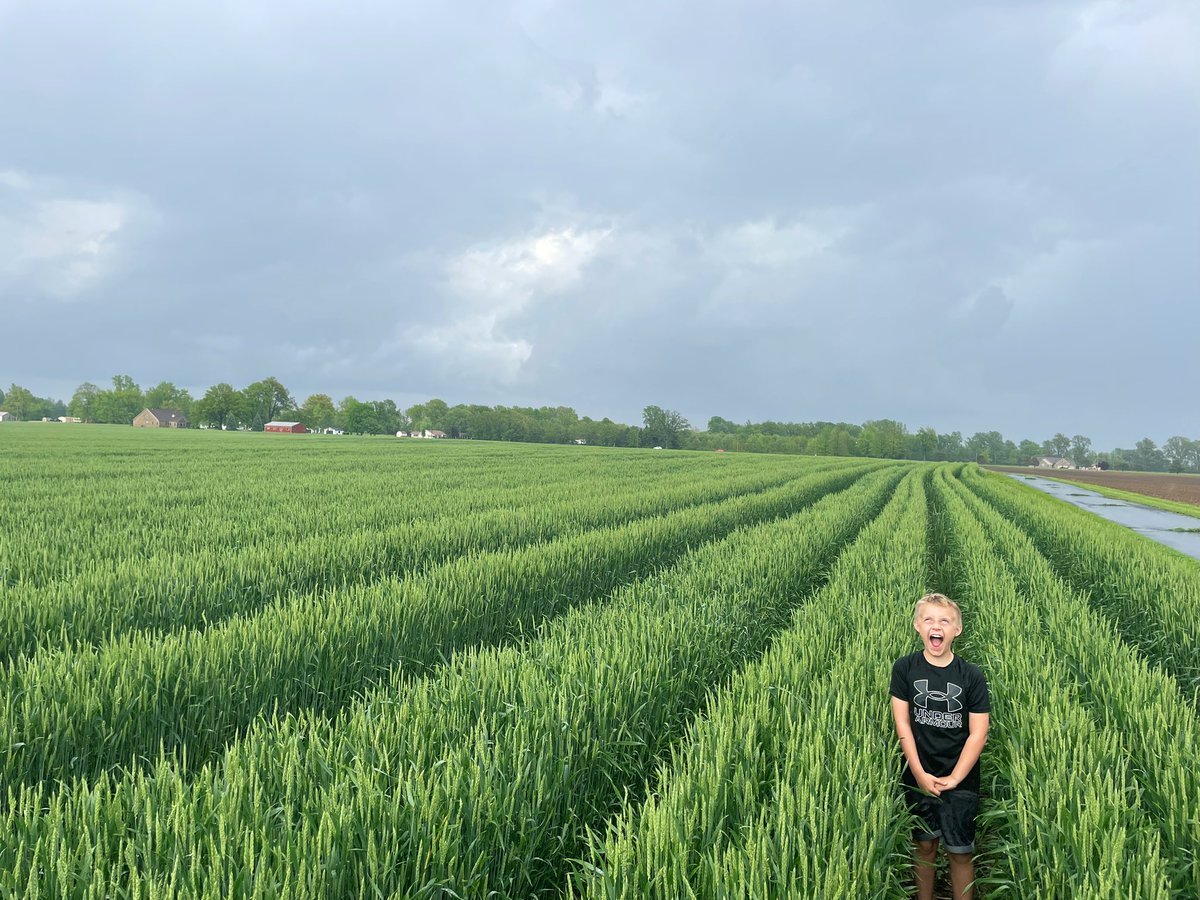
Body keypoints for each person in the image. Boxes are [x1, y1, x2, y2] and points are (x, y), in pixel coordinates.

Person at [890, 593, 991, 900]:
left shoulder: (971, 676)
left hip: (961, 777)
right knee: (924, 845)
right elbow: (902, 724)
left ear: (957, 630)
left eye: (945, 621)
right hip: (918, 773)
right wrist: (919, 773)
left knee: (960, 852)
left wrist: (956, 777)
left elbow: (978, 734)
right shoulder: (905, 668)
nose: (937, 626)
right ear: (917, 626)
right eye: (929, 620)